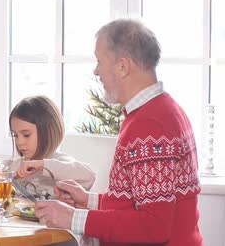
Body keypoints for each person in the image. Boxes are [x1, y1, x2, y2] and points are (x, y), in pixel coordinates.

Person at [34, 19, 203, 245]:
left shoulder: (150, 125)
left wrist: (73, 218)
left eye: (99, 60)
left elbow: (154, 227)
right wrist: (90, 201)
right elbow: (139, 202)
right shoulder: (159, 110)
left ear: (122, 67)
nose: (95, 71)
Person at [11, 95, 96, 200]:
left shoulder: (60, 162)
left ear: (48, 132)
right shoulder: (16, 166)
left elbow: (89, 176)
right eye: (15, 135)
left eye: (26, 135)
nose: (19, 142)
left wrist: (42, 164)